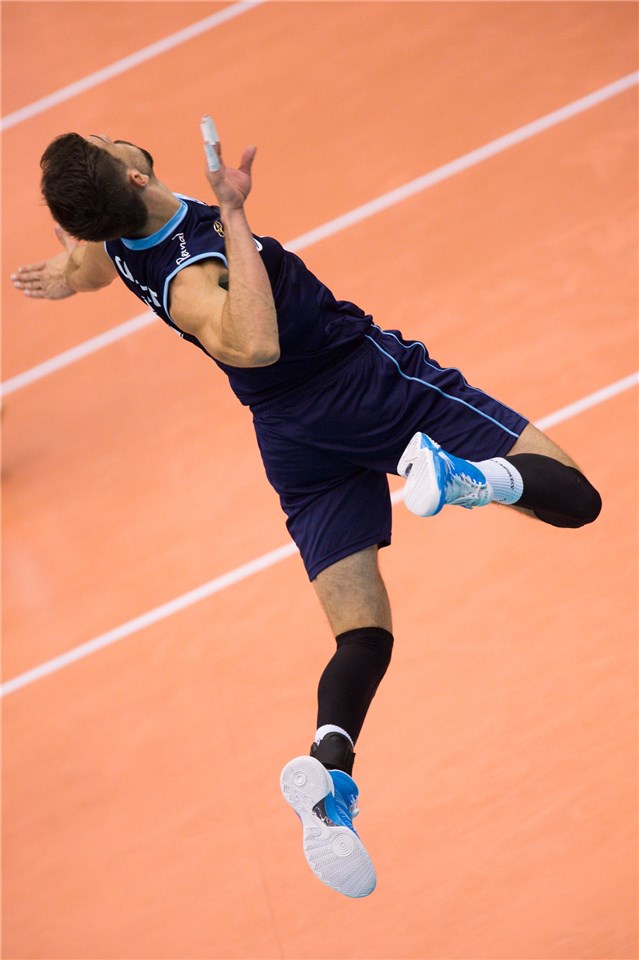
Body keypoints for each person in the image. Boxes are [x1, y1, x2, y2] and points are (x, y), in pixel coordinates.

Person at [11, 131, 602, 898]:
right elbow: (254, 344)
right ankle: (466, 480)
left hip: (292, 441)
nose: (117, 133)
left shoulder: (117, 244)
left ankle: (329, 774)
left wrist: (66, 272)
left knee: (362, 635)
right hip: (366, 388)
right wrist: (231, 213)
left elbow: (92, 261)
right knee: (574, 498)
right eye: (108, 139)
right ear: (132, 174)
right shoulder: (192, 269)